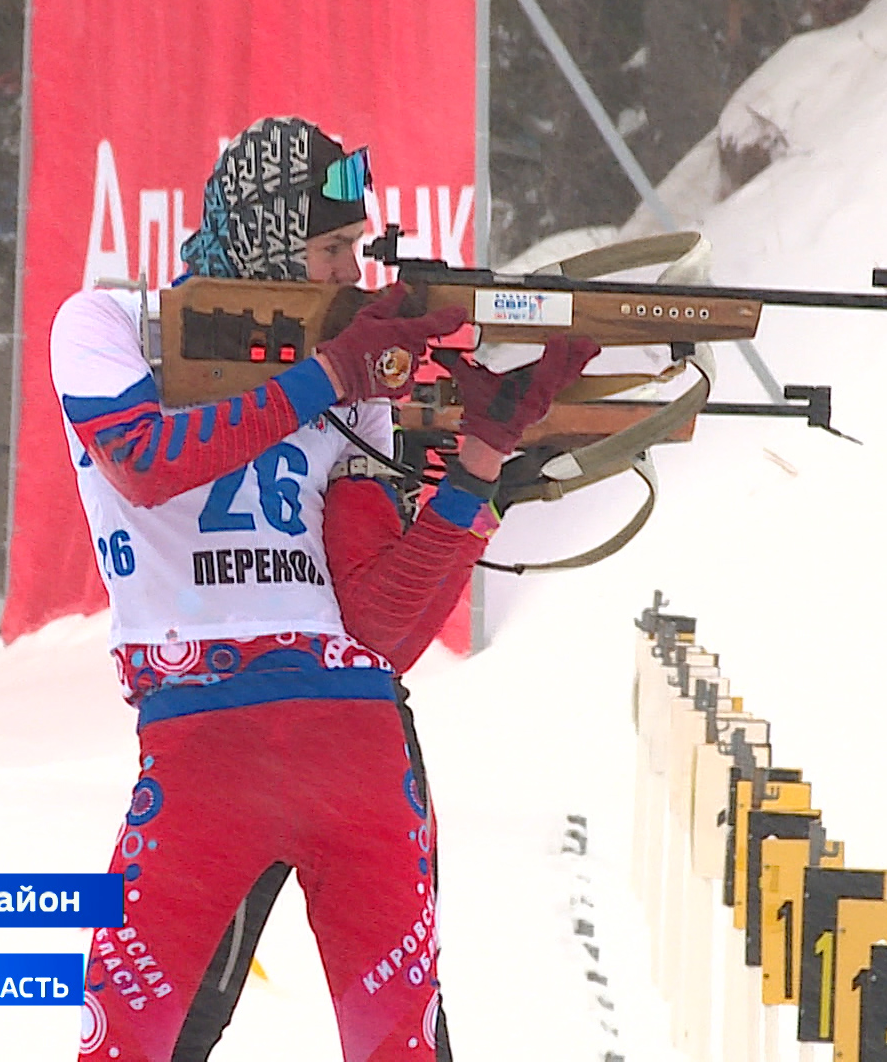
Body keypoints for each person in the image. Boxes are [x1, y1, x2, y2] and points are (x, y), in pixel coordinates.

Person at [53, 115, 598, 1062]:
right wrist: (327, 377)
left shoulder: (355, 378)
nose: (352, 271)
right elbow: (144, 462)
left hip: (334, 734)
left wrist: (477, 467)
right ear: (266, 239)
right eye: (333, 247)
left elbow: (378, 628)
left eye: (359, 247)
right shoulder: (111, 323)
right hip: (206, 750)